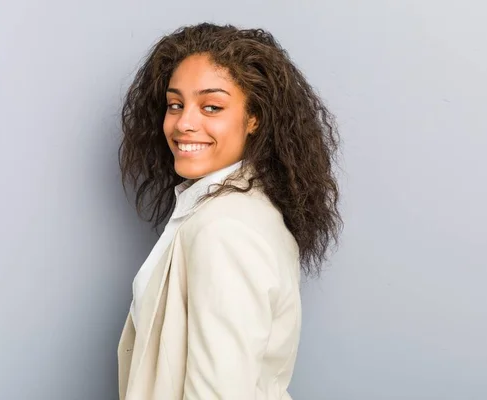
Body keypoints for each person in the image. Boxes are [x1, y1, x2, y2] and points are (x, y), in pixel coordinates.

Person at [117, 22, 342, 400]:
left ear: (254, 118)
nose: (184, 123)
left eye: (212, 106)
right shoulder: (235, 211)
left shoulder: (224, 230)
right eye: (176, 104)